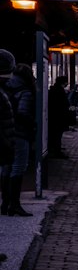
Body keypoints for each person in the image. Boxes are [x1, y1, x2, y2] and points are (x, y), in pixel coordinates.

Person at [1, 55, 36, 216]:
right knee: (18, 167)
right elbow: (23, 113)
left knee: (5, 167)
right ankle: (15, 204)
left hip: (5, 133)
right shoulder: (25, 91)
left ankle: (5, 202)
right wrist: (32, 125)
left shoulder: (5, 87)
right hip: (20, 133)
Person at [48, 75, 72, 157]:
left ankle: (52, 149)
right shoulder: (60, 91)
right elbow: (65, 103)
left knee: (53, 134)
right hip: (59, 117)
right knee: (57, 135)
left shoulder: (52, 90)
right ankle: (57, 151)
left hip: (53, 116)